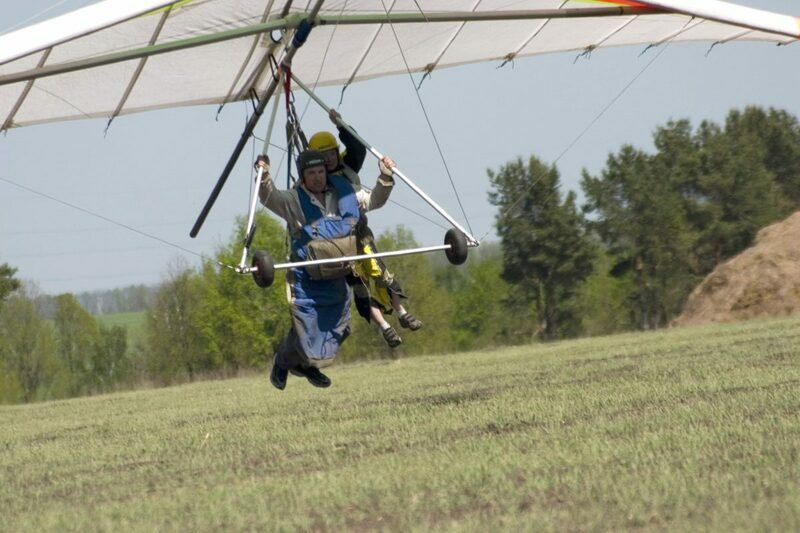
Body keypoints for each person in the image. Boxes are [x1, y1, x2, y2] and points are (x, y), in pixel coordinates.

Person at [257, 149, 395, 390]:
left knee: (341, 328)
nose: (318, 177)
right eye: (311, 173)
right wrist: (264, 176)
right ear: (302, 177)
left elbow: (375, 200)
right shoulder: (293, 199)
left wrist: (385, 177)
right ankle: (283, 362)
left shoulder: (344, 194)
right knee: (305, 330)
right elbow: (270, 198)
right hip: (308, 279)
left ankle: (306, 366)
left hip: (336, 275)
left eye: (321, 172)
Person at [308, 110, 423, 349]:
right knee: (359, 284)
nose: (328, 159)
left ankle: (401, 311)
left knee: (378, 270)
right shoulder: (314, 183)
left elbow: (358, 149)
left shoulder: (347, 170)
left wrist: (341, 125)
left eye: (331, 153)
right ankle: (386, 328)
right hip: (338, 244)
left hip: (359, 233)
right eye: (322, 156)